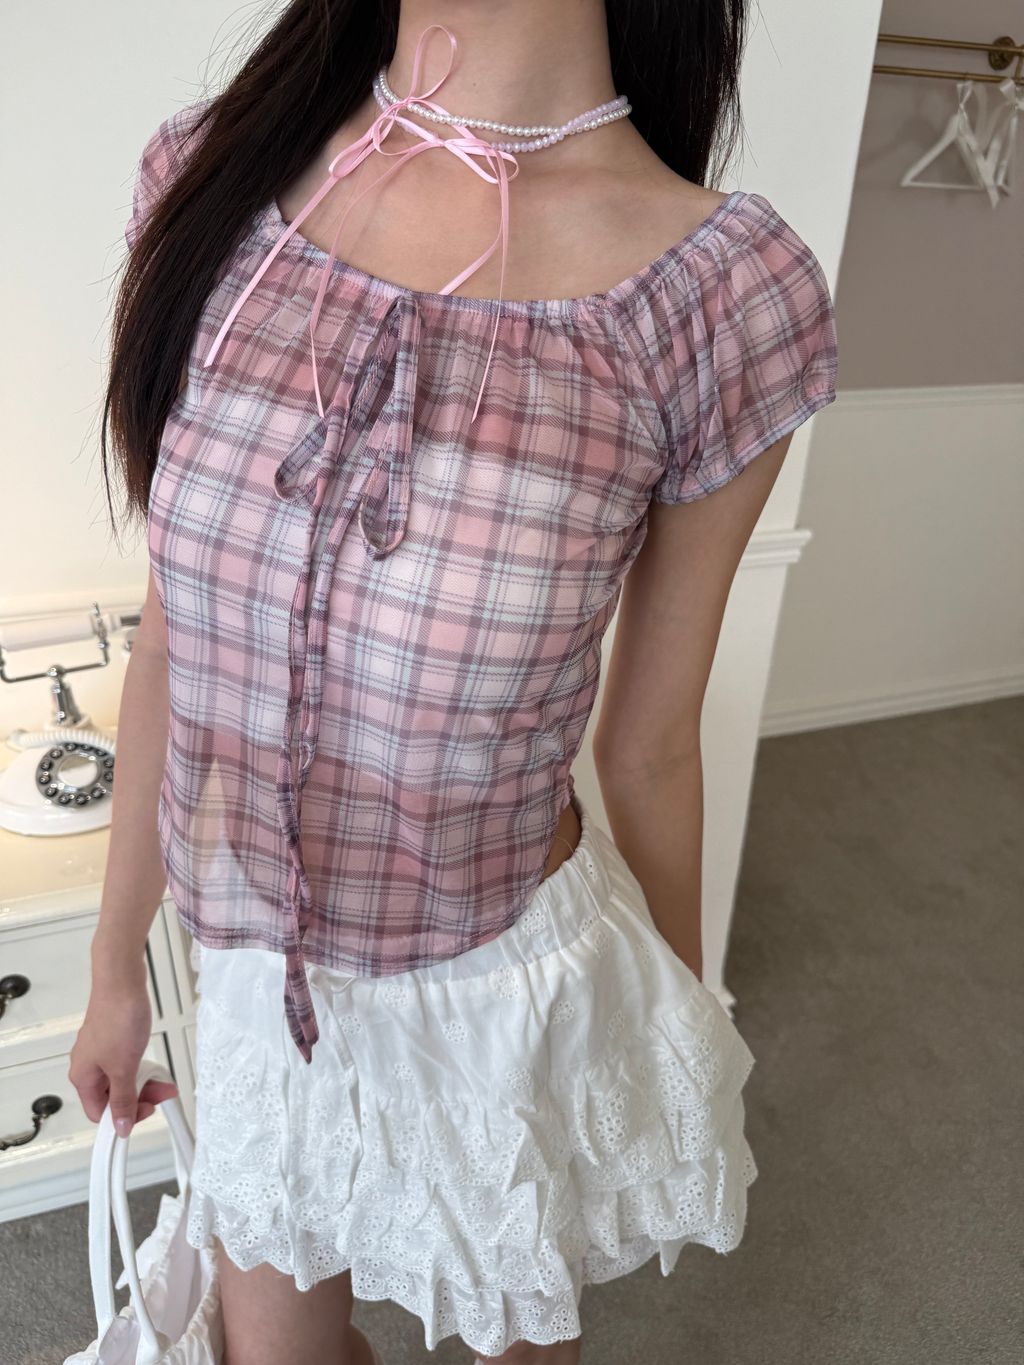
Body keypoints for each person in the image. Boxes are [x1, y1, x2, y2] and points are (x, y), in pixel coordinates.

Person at [70, 2, 838, 1362]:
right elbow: (175, 638)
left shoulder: (718, 295)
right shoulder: (215, 181)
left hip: (498, 993)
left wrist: (668, 1038)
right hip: (252, 974)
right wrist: (117, 965)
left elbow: (651, 740)